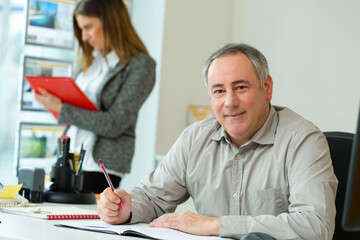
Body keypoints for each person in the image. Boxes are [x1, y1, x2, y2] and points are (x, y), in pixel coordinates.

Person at [97, 43, 337, 239]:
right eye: (219, 91)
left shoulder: (302, 140)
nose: (230, 102)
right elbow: (153, 198)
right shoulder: (195, 138)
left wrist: (216, 225)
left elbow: (315, 225)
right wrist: (127, 210)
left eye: (240, 87)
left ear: (267, 88)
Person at [34, 0, 155, 193]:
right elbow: (73, 114)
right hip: (67, 158)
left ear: (111, 22)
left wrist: (62, 109)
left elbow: (115, 123)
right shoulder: (88, 62)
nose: (84, 36)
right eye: (81, 29)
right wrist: (53, 103)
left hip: (99, 166)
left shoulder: (141, 66)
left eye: (88, 27)